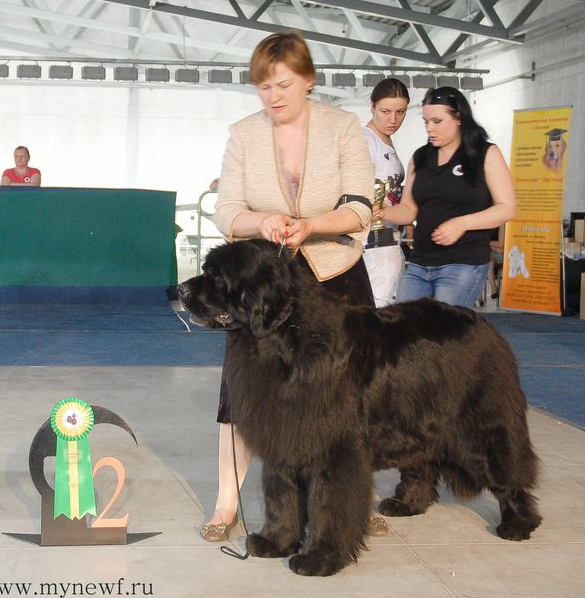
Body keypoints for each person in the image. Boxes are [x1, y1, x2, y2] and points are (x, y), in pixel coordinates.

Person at [202, 30, 380, 542]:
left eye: (282, 83)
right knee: (239, 396)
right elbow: (225, 212)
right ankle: (226, 502)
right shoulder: (243, 134)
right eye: (263, 87)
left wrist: (312, 225)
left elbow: (361, 208)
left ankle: (353, 502)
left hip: (335, 276)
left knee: (351, 398)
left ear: (308, 81)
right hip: (265, 284)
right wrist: (263, 223)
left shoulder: (344, 127)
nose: (273, 96)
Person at [377, 86, 516, 308]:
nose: (430, 128)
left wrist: (462, 223)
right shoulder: (421, 157)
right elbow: (409, 210)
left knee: (444, 334)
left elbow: (507, 208)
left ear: (458, 117)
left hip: (463, 263)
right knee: (400, 326)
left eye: (437, 121)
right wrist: (383, 211)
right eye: (426, 122)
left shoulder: (485, 154)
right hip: (421, 262)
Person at [362, 78, 409, 307]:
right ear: (372, 107)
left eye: (400, 112)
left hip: (388, 237)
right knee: (380, 313)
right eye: (385, 111)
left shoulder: (384, 141)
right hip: (373, 241)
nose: (393, 119)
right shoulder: (366, 141)